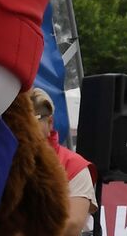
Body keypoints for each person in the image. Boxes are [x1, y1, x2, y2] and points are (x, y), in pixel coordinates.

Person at [27, 88, 97, 235]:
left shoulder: (75, 165)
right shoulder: (4, 158)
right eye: (22, 121)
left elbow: (72, 224)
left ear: (50, 122)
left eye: (33, 120)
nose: (25, 127)